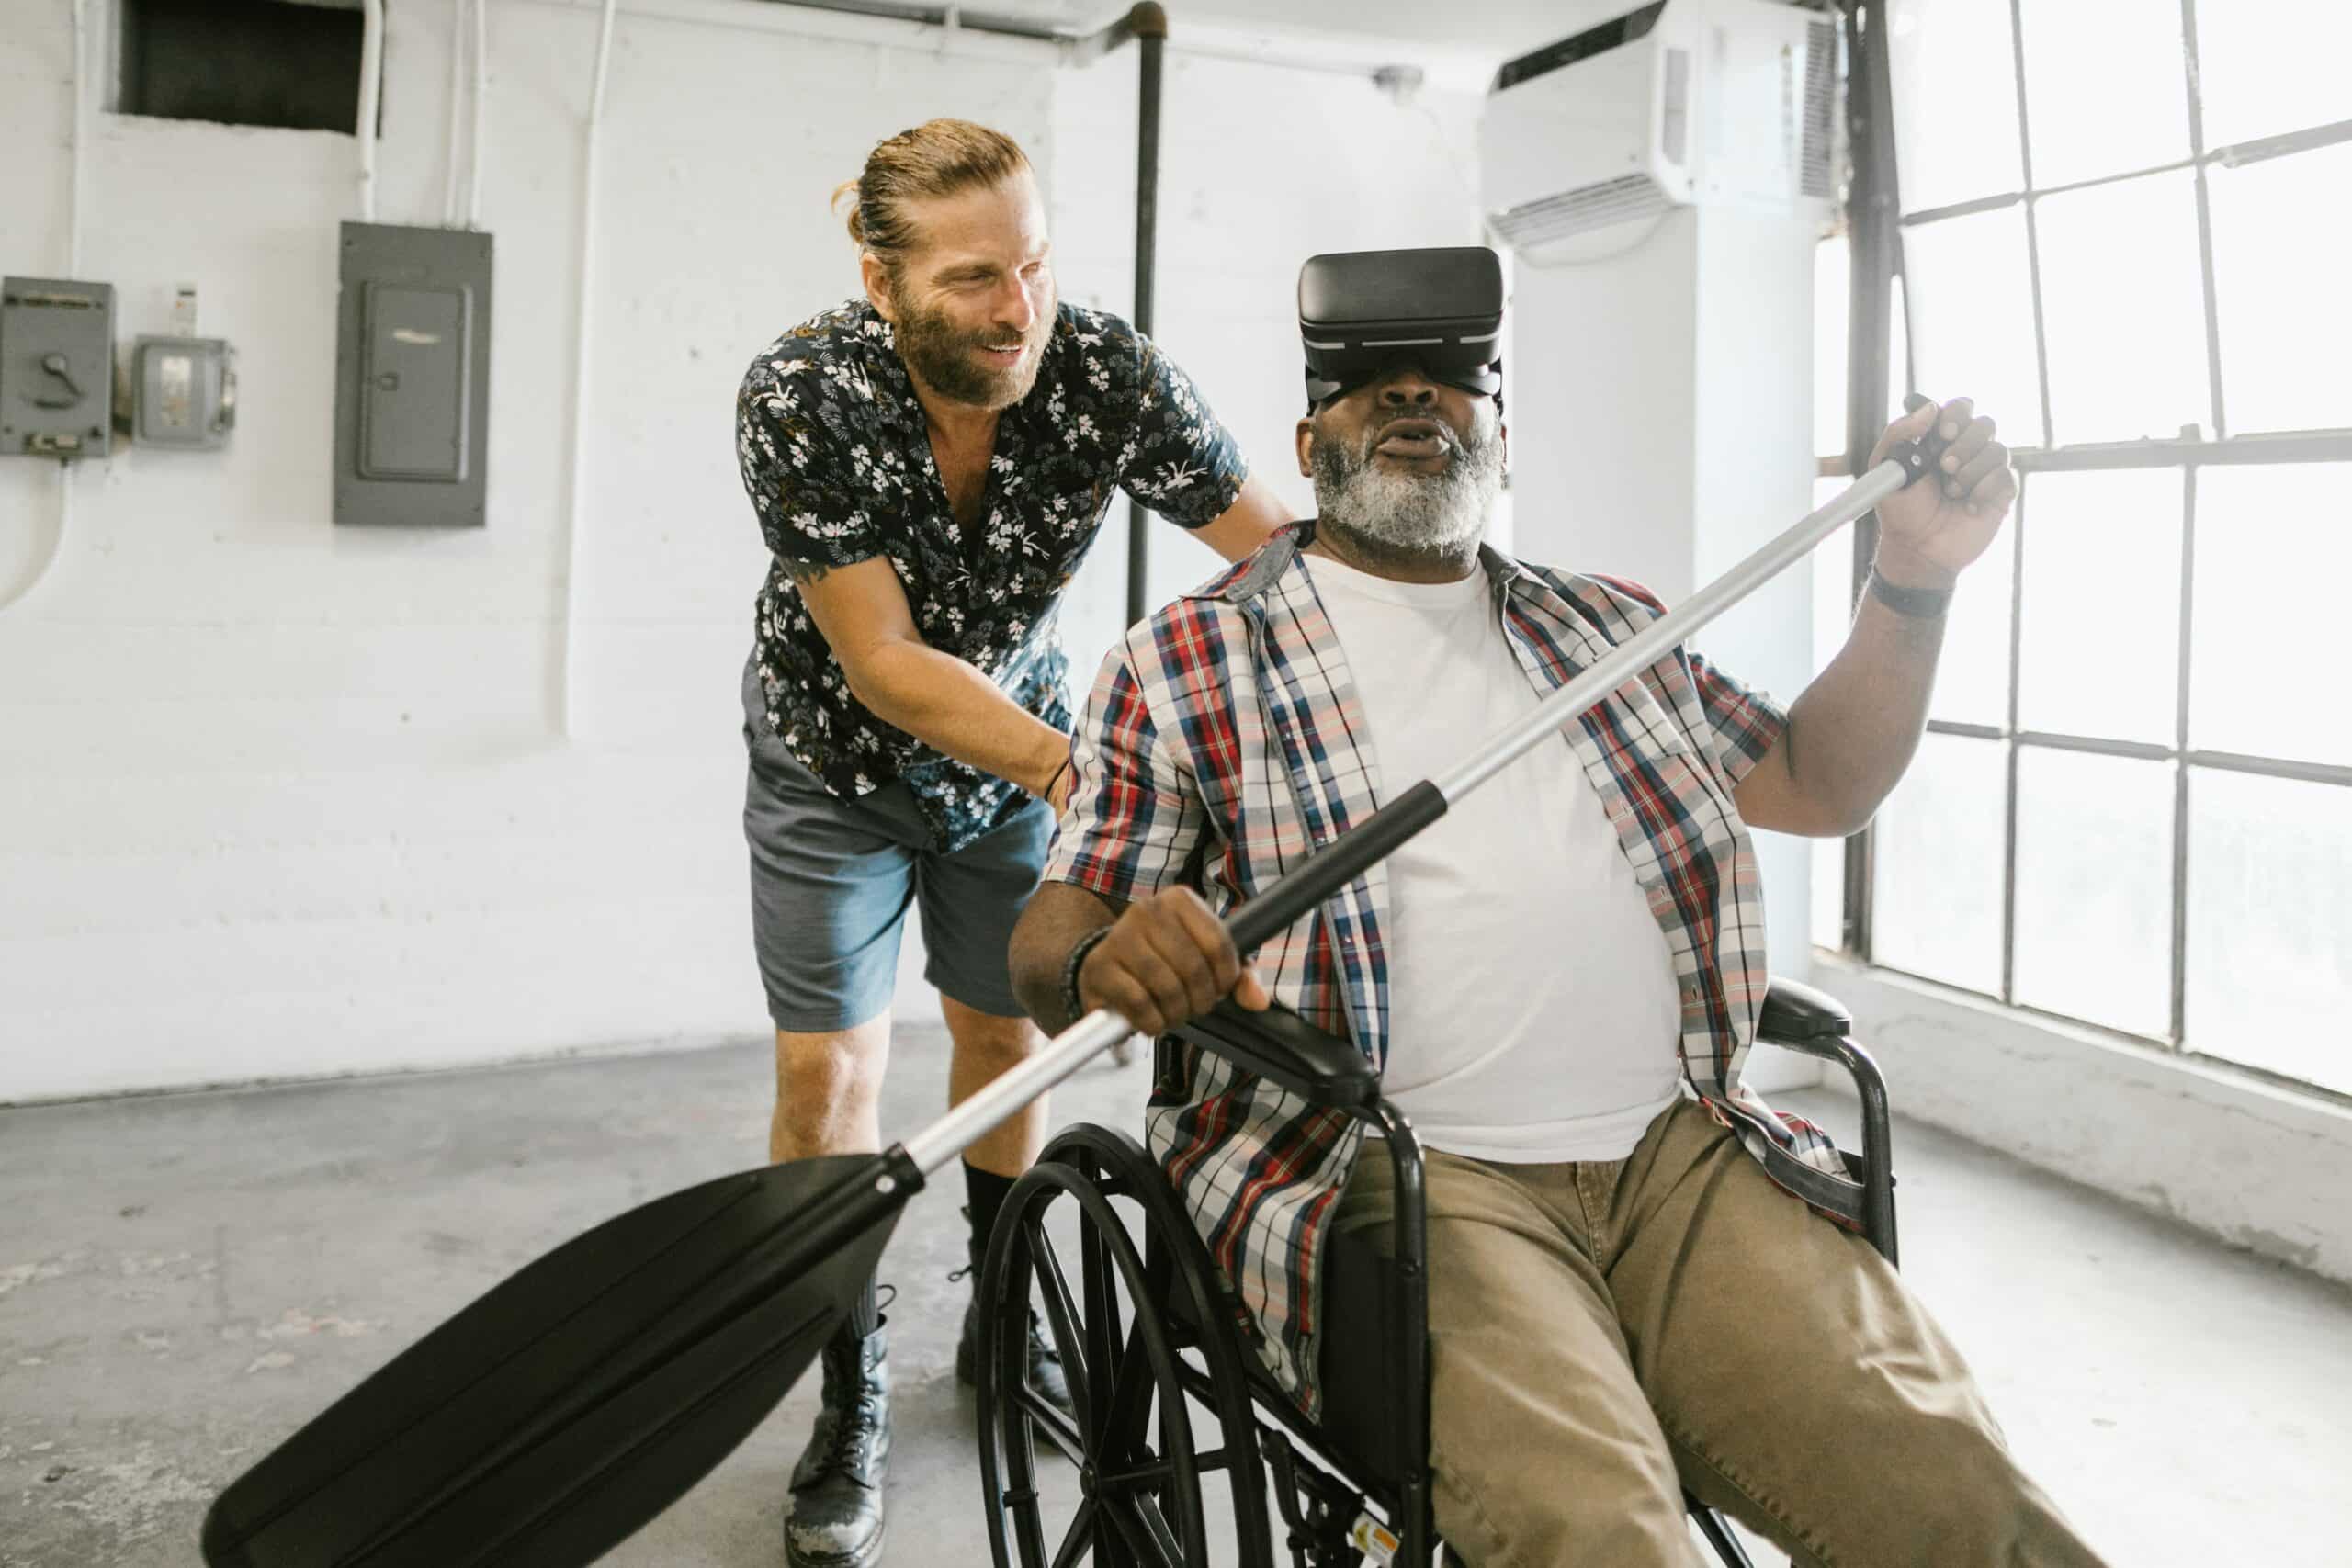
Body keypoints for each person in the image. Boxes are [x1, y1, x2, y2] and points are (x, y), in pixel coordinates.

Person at [1008, 274, 2111, 1563]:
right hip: (1404, 1179)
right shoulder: (1190, 658)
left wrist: (1914, 578)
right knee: (1600, 1535)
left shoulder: (1612, 628)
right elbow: (1044, 946)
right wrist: (1104, 954)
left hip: (1675, 1159)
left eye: (1454, 376)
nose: (1417, 393)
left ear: (1498, 437)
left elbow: (1819, 780)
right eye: (1369, 381)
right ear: (1310, 450)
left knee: (1968, 1506)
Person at [732, 118, 1291, 1568]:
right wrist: (1091, 771)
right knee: (830, 1078)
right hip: (836, 768)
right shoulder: (802, 395)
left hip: (1006, 782)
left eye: (1033, 264)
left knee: (1003, 1043)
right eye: (977, 277)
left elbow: (1272, 554)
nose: (1017, 307)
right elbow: (883, 660)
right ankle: (845, 1393)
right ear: (881, 278)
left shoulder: (1103, 372)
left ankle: (1000, 1316)